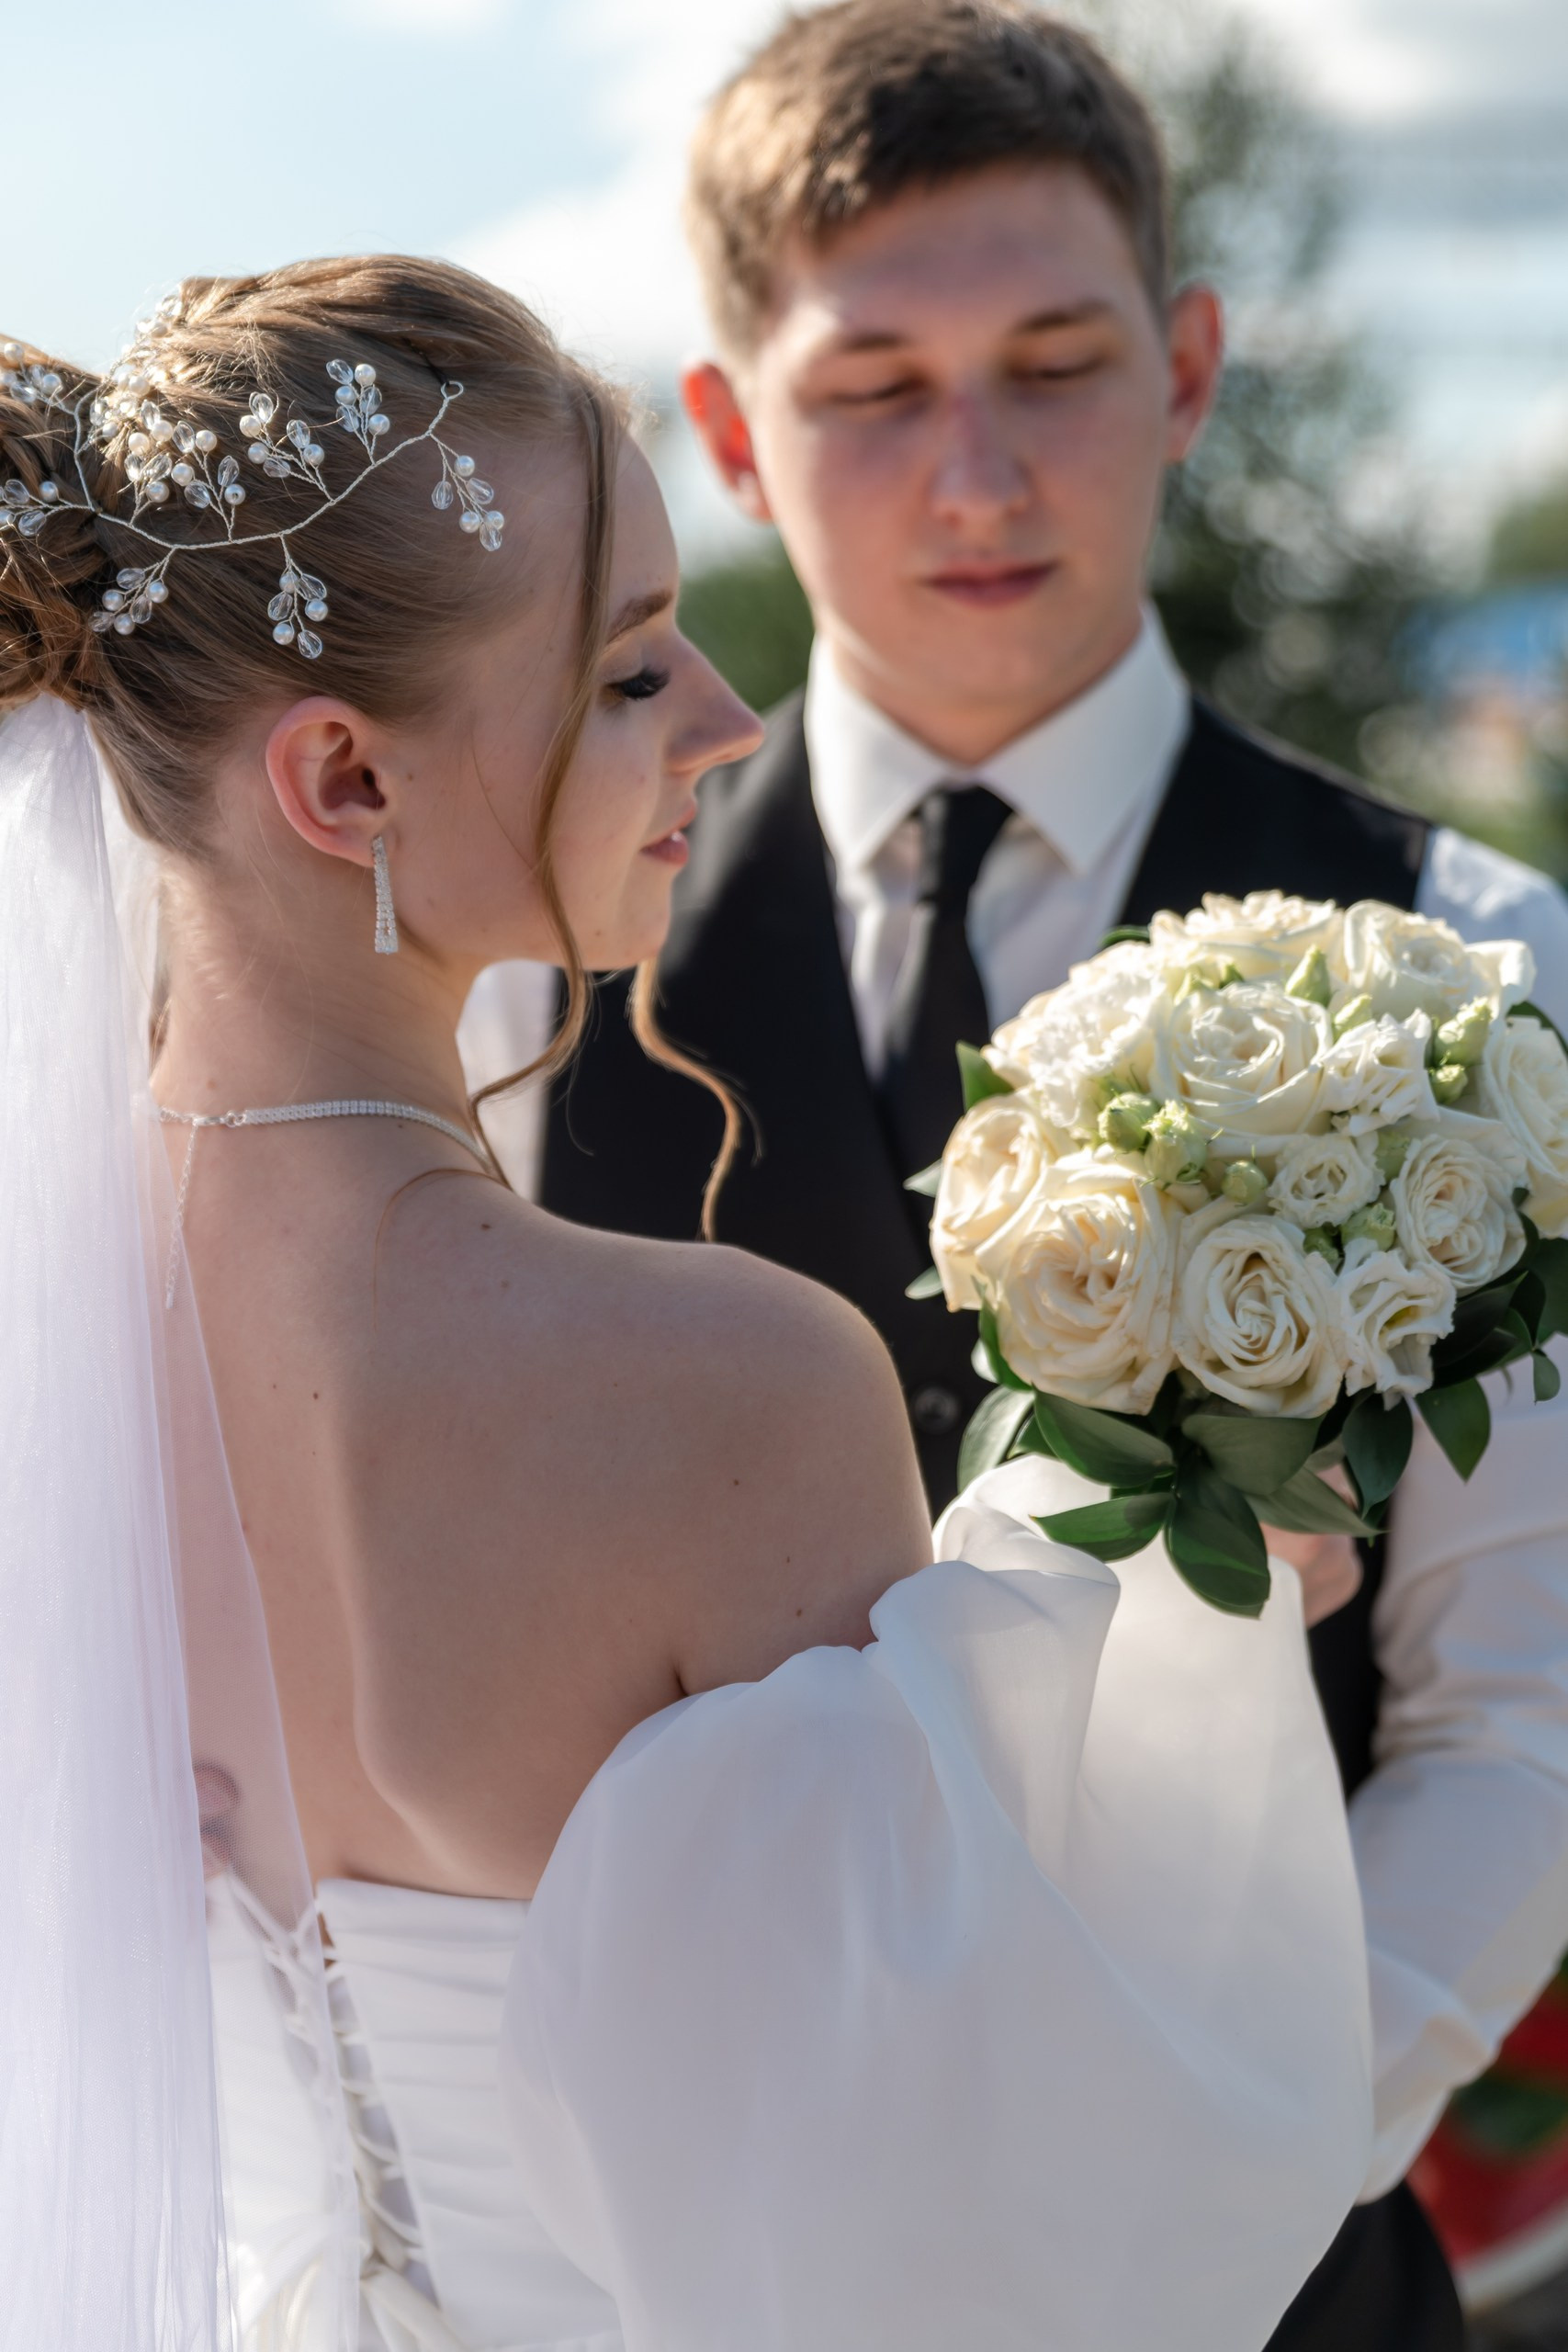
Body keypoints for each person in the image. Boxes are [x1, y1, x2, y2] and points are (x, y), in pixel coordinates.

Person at [1, 254, 1373, 2350]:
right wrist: (1184, 1596)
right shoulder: (720, 1380)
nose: (733, 720)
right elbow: (959, 2199)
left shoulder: (44, 1339)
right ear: (346, 785)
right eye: (634, 666)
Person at [461, 6, 1568, 2348]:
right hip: (679, 2260)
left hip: (1264, 2259)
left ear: (1182, 364)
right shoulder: (521, 994)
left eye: (1051, 361)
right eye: (872, 389)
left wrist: (1170, 2178)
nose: (972, 475)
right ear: (734, 432)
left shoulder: (1476, 957)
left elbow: (1517, 1728)